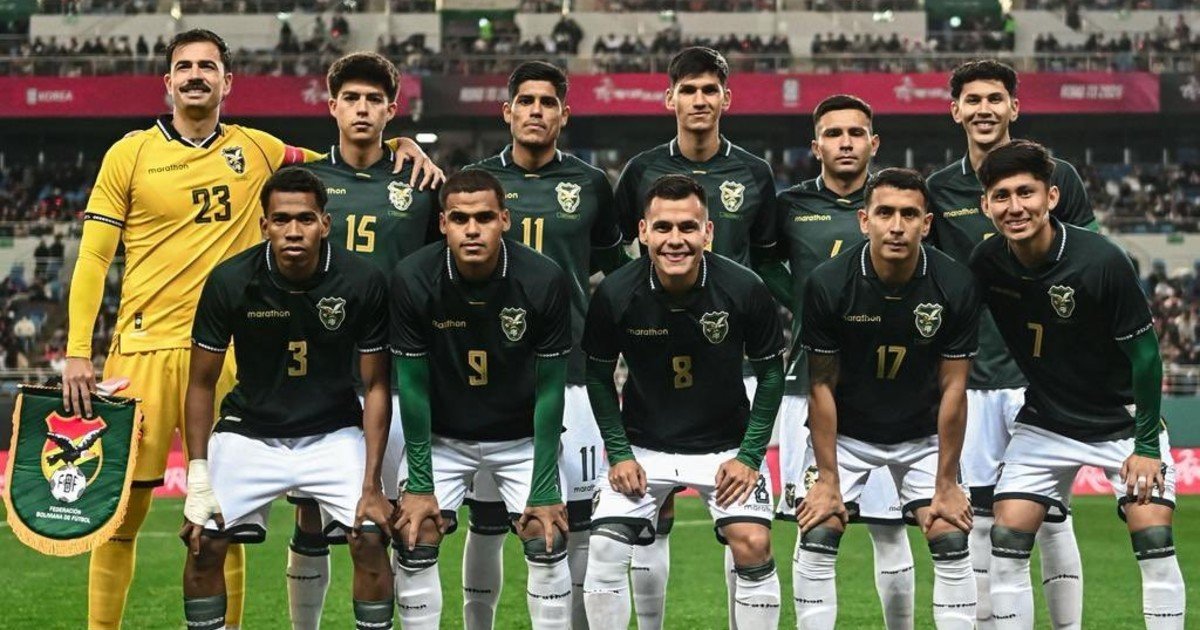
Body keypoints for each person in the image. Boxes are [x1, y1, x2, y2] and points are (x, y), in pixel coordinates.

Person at [59, 28, 439, 629]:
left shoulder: (257, 148)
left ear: (227, 81)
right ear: (168, 81)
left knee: (223, 519)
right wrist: (78, 350)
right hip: (144, 351)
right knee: (121, 517)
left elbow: (337, 161)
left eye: (208, 66)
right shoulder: (128, 154)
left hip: (232, 352)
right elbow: (92, 258)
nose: (196, 75)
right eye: (185, 66)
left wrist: (400, 143)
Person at [969, 140, 1185, 629]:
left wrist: (1146, 445)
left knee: (1153, 539)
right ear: (986, 206)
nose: (1014, 207)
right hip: (1046, 420)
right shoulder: (987, 262)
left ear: (1051, 197)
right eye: (1001, 196)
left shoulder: (1102, 260)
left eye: (1026, 192)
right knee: (1006, 540)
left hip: (1121, 421)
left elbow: (1146, 356)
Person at [179, 166, 394, 630]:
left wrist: (373, 485)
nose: (293, 231)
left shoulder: (362, 280)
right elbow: (200, 384)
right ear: (264, 225)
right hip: (249, 431)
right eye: (281, 220)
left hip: (333, 432)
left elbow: (377, 385)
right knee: (203, 541)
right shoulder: (231, 280)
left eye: (305, 219)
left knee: (372, 537)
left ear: (325, 223)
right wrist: (197, 475)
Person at [611, 46, 780, 628]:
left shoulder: (754, 173)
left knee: (743, 523)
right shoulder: (640, 172)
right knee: (646, 519)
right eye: (689, 90)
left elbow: (769, 259)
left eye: (710, 90)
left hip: (730, 354)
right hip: (656, 351)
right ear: (671, 99)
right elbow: (617, 251)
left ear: (726, 98)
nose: (700, 100)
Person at [925, 58, 1092, 629]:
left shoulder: (1058, 176)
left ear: (1014, 108)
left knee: (1052, 518)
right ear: (955, 111)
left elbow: (1088, 267)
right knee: (976, 516)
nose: (984, 109)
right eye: (972, 100)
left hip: (1043, 375)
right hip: (974, 377)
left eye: (995, 99)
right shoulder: (939, 189)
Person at [582, 174, 786, 630]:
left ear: (707, 232)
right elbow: (597, 375)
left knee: (753, 543)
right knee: (605, 547)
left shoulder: (745, 288)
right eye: (663, 227)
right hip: (643, 448)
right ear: (643, 232)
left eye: (688, 227)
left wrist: (750, 456)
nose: (675, 240)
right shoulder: (616, 293)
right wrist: (619, 453)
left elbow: (772, 374)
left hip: (726, 449)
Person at [463, 60, 625, 630]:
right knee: (486, 522)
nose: (536, 111)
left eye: (547, 102)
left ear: (565, 114)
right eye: (526, 101)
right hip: (489, 375)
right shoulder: (476, 181)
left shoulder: (590, 184)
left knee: (575, 520)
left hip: (572, 370)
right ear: (507, 112)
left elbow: (609, 267)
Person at [282, 51, 441, 629]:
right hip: (320, 376)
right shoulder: (306, 184)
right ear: (332, 106)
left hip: (397, 375)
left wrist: (411, 151)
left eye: (374, 99)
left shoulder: (420, 183)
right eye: (351, 98)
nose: (362, 108)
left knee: (396, 523)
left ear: (391, 110)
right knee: (309, 518)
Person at [794, 168, 979, 629]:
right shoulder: (828, 282)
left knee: (951, 536)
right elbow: (821, 385)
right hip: (848, 434)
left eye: (909, 215)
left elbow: (955, 387)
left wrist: (947, 481)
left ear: (927, 224)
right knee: (818, 530)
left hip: (922, 434)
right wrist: (828, 479)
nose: (897, 226)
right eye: (885, 213)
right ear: (864, 220)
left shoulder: (955, 282)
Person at [390, 169, 573, 629]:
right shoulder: (413, 277)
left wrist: (545, 486)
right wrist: (420, 484)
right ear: (443, 224)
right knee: (415, 534)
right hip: (443, 438)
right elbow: (412, 385)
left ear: (505, 220)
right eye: (460, 218)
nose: (472, 229)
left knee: (546, 536)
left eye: (485, 218)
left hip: (520, 438)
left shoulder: (543, 278)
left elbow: (551, 387)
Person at [774, 94, 915, 628]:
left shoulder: (898, 203)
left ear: (873, 143)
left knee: (890, 529)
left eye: (856, 133)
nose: (846, 143)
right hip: (810, 381)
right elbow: (761, 262)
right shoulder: (790, 205)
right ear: (816, 147)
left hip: (888, 387)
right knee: (813, 525)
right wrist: (808, 304)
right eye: (833, 134)